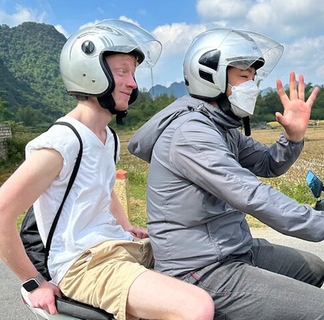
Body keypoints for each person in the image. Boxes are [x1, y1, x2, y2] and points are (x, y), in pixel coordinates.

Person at [128, 28, 324, 320]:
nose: (252, 85)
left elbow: (268, 164)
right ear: (210, 76)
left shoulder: (220, 126)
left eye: (254, 77)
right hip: (199, 269)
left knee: (312, 269)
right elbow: (250, 194)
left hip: (231, 250)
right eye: (243, 76)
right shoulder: (191, 133)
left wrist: (292, 137)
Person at [0, 20, 214, 320]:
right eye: (122, 72)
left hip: (117, 246)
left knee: (210, 259)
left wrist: (125, 227)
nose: (133, 83)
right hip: (83, 265)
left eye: (134, 74)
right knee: (196, 307)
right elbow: (2, 211)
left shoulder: (107, 137)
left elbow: (104, 189)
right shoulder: (62, 142)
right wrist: (34, 283)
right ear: (88, 74)